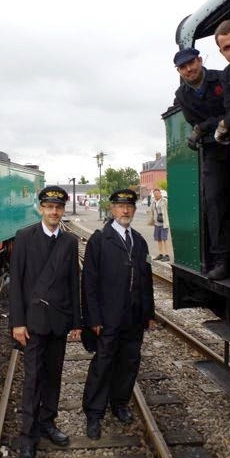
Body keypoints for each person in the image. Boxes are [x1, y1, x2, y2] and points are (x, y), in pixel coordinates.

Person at [9, 186, 81, 458]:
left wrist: (76, 322)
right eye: (49, 207)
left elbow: (73, 283)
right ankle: (28, 437)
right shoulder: (25, 237)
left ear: (62, 210)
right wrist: (17, 322)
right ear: (41, 208)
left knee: (54, 375)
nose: (54, 212)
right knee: (32, 380)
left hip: (59, 321)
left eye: (58, 208)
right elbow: (16, 282)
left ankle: (48, 422)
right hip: (33, 323)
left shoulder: (69, 241)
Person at [82, 188, 154, 439]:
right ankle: (94, 413)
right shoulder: (100, 240)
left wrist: (148, 313)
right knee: (103, 363)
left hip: (133, 317)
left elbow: (146, 279)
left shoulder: (139, 240)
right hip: (108, 317)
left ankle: (119, 404)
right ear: (112, 209)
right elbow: (89, 282)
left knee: (129, 362)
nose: (125, 210)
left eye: (129, 207)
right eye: (120, 206)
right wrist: (93, 318)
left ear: (134, 209)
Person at [173, 47, 230, 280]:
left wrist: (202, 128)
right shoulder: (182, 96)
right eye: (183, 67)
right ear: (179, 71)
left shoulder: (222, 77)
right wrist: (207, 126)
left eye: (192, 63)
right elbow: (193, 120)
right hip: (212, 149)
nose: (189, 69)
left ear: (200, 60)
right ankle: (222, 259)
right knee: (214, 200)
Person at [151, 188, 170, 262]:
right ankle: (160, 254)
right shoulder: (153, 202)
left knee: (164, 239)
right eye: (155, 194)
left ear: (160, 193)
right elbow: (152, 211)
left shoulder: (165, 201)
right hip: (157, 223)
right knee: (158, 239)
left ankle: (167, 255)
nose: (156, 195)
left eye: (157, 193)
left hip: (164, 223)